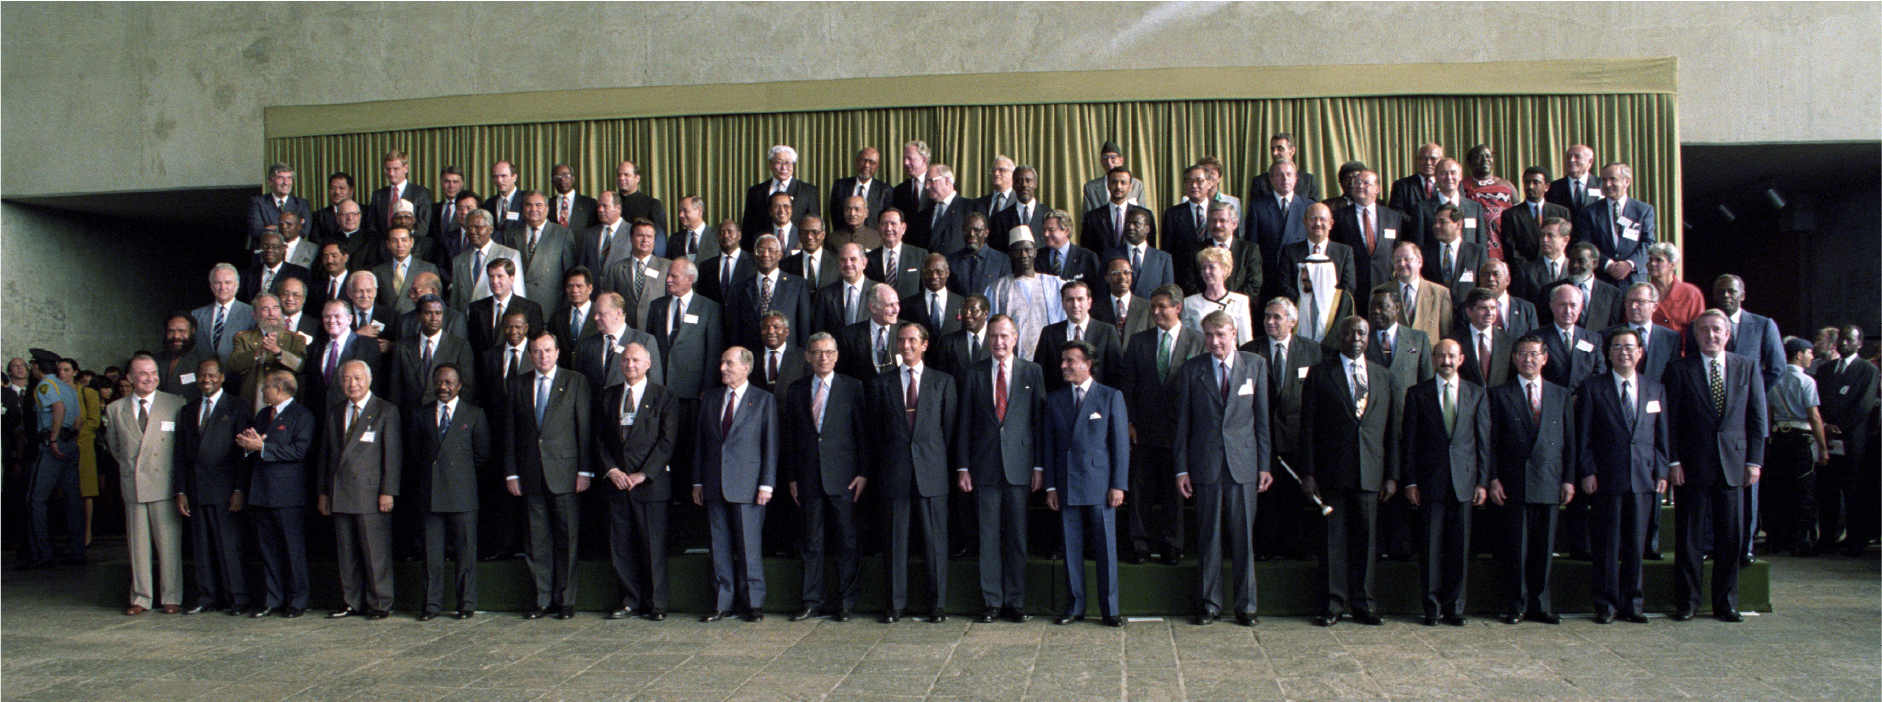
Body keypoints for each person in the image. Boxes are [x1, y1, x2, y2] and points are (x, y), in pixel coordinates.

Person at [1664, 310, 1768, 622]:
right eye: (1705, 330)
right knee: (1689, 538)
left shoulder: (1746, 367)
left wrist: (1754, 460)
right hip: (1692, 465)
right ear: (1696, 335)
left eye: (1717, 330)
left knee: (1731, 537)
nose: (1711, 335)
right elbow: (1669, 420)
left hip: (1735, 463)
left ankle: (1726, 603)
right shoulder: (1679, 369)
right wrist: (1673, 460)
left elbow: (1757, 417)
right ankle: (1688, 603)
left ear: (1728, 334)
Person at [1174, 311, 1271, 626]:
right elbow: (1183, 425)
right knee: (1209, 538)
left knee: (1244, 539)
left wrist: (1264, 465)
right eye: (1209, 336)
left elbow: (1262, 420)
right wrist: (1181, 469)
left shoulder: (1254, 365)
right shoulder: (1192, 370)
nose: (1214, 341)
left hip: (1243, 465)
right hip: (1206, 465)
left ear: (1234, 332)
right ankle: (1210, 604)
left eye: (1221, 334)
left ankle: (1247, 606)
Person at [1301, 316, 1398, 627]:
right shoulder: (1319, 375)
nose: (1355, 337)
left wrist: (1392, 475)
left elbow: (1392, 430)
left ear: (1368, 337)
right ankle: (1333, 604)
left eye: (1361, 332)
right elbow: (1308, 429)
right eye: (1349, 332)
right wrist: (1309, 473)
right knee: (1334, 540)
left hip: (1371, 472)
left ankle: (1365, 605)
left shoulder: (1383, 376)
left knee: (1367, 541)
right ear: (1339, 337)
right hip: (1332, 473)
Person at [954, 315, 1044, 623]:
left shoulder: (1033, 372)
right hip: (984, 467)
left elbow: (1038, 423)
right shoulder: (974, 373)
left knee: (1017, 537)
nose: (999, 342)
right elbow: (964, 423)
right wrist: (963, 467)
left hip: (1020, 468)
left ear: (1015, 338)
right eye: (993, 336)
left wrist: (1039, 466)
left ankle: (1015, 602)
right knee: (988, 536)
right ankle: (992, 601)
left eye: (1004, 336)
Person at [1577, 327, 1668, 625]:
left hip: (1643, 478)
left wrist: (1662, 471)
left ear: (1640, 352)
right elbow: (1584, 436)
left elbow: (1662, 437)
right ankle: (1605, 604)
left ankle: (1633, 604)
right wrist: (1588, 470)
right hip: (1606, 477)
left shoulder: (1655, 389)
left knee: (1635, 544)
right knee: (1606, 544)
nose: (1624, 352)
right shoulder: (1593, 387)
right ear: (1608, 353)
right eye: (1617, 347)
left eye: (1630, 347)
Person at [870, 322, 958, 623]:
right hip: (894, 473)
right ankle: (895, 605)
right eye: (901, 340)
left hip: (932, 474)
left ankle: (937, 606)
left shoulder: (943, 382)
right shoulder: (881, 383)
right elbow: (877, 433)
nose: (906, 345)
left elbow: (948, 432)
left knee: (935, 543)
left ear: (924, 345)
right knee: (894, 543)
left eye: (912, 340)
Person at [503, 333, 594, 620]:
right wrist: (511, 472)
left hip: (567, 473)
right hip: (529, 472)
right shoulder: (517, 384)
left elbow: (585, 429)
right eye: (537, 351)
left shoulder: (575, 381)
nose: (543, 356)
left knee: (567, 538)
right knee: (535, 538)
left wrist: (585, 470)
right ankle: (542, 599)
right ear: (530, 355)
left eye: (548, 350)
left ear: (557, 352)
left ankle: (566, 600)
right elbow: (510, 433)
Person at [1487, 334, 1575, 625]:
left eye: (1534, 354)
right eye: (1522, 354)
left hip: (1549, 480)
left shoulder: (1560, 394)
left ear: (1545, 358)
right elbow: (1491, 441)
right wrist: (1494, 478)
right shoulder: (1500, 394)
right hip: (1514, 483)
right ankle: (1516, 605)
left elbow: (1570, 442)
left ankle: (1541, 604)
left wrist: (1568, 479)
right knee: (1516, 549)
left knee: (1543, 548)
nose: (1528, 359)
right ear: (1513, 359)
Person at [1042, 340, 1130, 628]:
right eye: (1063, 360)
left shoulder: (1109, 396)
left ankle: (1110, 609)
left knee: (1106, 550)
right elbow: (1050, 447)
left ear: (1087, 364)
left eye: (1070, 360)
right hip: (1066, 485)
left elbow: (1120, 446)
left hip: (1101, 486)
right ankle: (1075, 606)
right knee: (1070, 549)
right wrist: (1051, 487)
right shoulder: (1054, 399)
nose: (1064, 365)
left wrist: (1118, 484)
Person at [1401, 339, 1489, 626]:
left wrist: (1482, 482)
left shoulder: (1477, 393)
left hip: (1464, 481)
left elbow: (1483, 442)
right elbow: (1410, 443)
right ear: (1434, 359)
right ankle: (1431, 607)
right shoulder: (1418, 394)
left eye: (1452, 356)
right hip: (1430, 483)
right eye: (1441, 356)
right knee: (1430, 547)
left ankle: (1455, 607)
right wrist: (1410, 482)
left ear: (1462, 359)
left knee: (1459, 548)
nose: (1446, 361)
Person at [784, 333, 868, 622]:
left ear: (837, 355)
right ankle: (812, 601)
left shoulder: (852, 387)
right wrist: (792, 477)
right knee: (811, 542)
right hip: (807, 477)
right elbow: (791, 438)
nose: (823, 357)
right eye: (817, 352)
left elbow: (863, 435)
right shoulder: (795, 390)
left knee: (846, 541)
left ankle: (846, 602)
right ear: (807, 356)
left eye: (829, 352)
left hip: (844, 478)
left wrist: (863, 473)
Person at [1123, 286, 1208, 567]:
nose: (1156, 312)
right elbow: (1128, 385)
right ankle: (1140, 544)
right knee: (1139, 489)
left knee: (1176, 490)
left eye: (1162, 307)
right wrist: (1130, 421)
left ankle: (1173, 544)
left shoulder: (1197, 341)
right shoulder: (1138, 341)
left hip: (1181, 430)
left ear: (1178, 308)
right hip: (1143, 430)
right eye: (1153, 307)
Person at [593, 344, 677, 621]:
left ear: (648, 363)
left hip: (650, 485)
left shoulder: (664, 396)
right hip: (616, 484)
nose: (630, 364)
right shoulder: (607, 397)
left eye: (636, 359)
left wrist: (643, 474)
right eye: (626, 360)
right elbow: (599, 440)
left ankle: (657, 604)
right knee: (621, 547)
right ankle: (629, 600)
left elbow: (667, 442)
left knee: (652, 547)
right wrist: (612, 470)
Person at [693, 347, 777, 622]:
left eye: (729, 363)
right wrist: (697, 481)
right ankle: (722, 603)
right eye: (721, 362)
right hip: (714, 482)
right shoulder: (711, 398)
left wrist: (767, 484)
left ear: (746, 367)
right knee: (719, 546)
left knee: (749, 547)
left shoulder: (763, 400)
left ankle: (753, 604)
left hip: (750, 486)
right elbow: (700, 444)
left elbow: (770, 445)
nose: (722, 368)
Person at [316, 360, 401, 621]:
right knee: (347, 553)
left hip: (371, 495)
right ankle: (351, 601)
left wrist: (388, 491)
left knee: (375, 553)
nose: (352, 384)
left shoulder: (385, 410)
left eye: (357, 378)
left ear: (369, 380)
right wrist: (323, 492)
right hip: (340, 492)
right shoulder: (335, 411)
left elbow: (393, 456)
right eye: (346, 379)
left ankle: (380, 603)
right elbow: (326, 457)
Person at [103, 355, 186, 615]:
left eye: (153, 373)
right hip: (134, 485)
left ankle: (171, 596)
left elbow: (181, 449)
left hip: (165, 484)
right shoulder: (115, 409)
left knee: (169, 544)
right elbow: (115, 448)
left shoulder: (175, 403)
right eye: (142, 373)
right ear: (129, 377)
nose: (150, 378)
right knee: (137, 546)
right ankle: (140, 598)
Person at [1244, 297, 1323, 561]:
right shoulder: (1249, 350)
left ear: (1293, 321)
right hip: (1260, 437)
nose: (1270, 321)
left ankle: (1294, 546)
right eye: (1267, 316)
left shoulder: (1312, 351)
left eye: (1277, 317)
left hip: (1297, 437)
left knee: (1293, 495)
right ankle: (1264, 547)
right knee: (1265, 496)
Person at [407, 363, 487, 621]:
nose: (443, 387)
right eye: (438, 382)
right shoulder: (420, 415)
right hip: (429, 494)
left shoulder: (474, 414)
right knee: (432, 556)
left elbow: (481, 454)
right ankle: (431, 606)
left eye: (449, 382)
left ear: (459, 385)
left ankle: (466, 604)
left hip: (462, 494)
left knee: (465, 554)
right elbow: (415, 453)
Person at [175, 359, 251, 615]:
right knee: (202, 548)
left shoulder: (238, 407)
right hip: (196, 491)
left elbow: (244, 454)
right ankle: (207, 597)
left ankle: (237, 599)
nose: (205, 379)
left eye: (211, 375)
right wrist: (181, 490)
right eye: (201, 375)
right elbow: (181, 455)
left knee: (229, 547)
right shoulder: (188, 410)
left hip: (226, 490)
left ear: (221, 377)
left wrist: (240, 490)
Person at [239, 370, 316, 617]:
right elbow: (258, 445)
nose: (262, 391)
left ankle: (298, 600)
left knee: (293, 550)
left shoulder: (302, 416)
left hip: (288, 495)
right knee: (268, 549)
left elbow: (298, 451)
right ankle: (273, 599)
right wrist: (249, 446)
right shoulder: (263, 414)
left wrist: (263, 447)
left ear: (280, 389)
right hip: (261, 492)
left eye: (266, 387)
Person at [1814, 325, 1879, 555]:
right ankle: (1827, 539)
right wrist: (1824, 427)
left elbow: (1864, 406)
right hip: (1826, 440)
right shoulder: (1825, 369)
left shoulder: (1868, 370)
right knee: (1827, 491)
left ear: (1859, 343)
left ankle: (1855, 540)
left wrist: (1838, 428)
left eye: (1849, 340)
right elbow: (1817, 402)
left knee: (1853, 493)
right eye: (1841, 339)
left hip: (1853, 442)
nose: (1843, 343)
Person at [1764, 337, 1830, 557]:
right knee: (1803, 490)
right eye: (1810, 352)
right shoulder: (1807, 381)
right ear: (1799, 354)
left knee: (1779, 489)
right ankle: (1799, 542)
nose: (1812, 357)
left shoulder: (1775, 379)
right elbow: (1814, 416)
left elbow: (1769, 412)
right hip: (1801, 438)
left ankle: (1776, 540)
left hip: (1779, 438)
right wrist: (1823, 448)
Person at [20, 350, 82, 570]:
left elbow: (59, 408)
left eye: (32, 365)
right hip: (71, 444)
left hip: (53, 445)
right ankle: (77, 551)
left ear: (38, 366)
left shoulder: (45, 386)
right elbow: (77, 419)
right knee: (72, 500)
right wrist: (69, 438)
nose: (31, 369)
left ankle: (42, 554)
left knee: (35, 500)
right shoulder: (67, 387)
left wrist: (54, 440)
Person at [983, 226, 1066, 362]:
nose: (1023, 255)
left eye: (1027, 250)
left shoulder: (1054, 285)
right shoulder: (997, 289)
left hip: (1050, 358)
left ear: (1035, 252)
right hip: (1012, 362)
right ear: (1010, 254)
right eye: (1018, 251)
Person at [393, 295, 478, 418]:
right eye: (428, 313)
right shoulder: (401, 347)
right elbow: (395, 390)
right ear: (418, 315)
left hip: (446, 418)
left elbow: (467, 388)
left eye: (438, 313)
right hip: (410, 419)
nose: (434, 318)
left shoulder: (459, 347)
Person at [1571, 163, 1655, 287]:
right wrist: (1608, 264)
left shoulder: (1643, 210)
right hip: (1602, 278)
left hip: (1634, 279)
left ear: (1626, 181)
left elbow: (1648, 243)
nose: (1607, 184)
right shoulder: (1588, 212)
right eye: (1604, 180)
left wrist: (1629, 264)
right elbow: (1585, 245)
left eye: (1612, 179)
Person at [726, 235, 814, 352]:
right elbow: (734, 331)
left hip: (788, 356)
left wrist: (802, 358)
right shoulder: (739, 288)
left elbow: (804, 328)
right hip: (751, 357)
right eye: (760, 250)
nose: (765, 254)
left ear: (779, 254)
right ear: (754, 255)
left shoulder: (798, 285)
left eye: (771, 250)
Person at [1034, 280, 1123, 391]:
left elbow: (1116, 374)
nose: (1075, 305)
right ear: (1062, 303)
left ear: (1089, 302)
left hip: (1097, 401)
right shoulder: (1049, 333)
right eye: (1070, 299)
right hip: (1059, 403)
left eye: (1080, 299)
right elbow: (1040, 374)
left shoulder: (1107, 331)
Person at [1332, 170, 1408, 299]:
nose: (1360, 186)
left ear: (1377, 189)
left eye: (1366, 183)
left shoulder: (1393, 217)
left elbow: (1398, 248)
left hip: (1386, 284)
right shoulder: (1338, 216)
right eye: (1357, 182)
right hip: (1353, 286)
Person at [227, 294, 308, 411]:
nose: (272, 314)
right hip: (252, 405)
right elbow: (234, 365)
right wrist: (257, 352)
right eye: (265, 309)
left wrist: (278, 352)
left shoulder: (295, 339)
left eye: (275, 308)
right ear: (254, 315)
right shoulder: (243, 338)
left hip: (286, 408)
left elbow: (301, 366)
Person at [502, 191, 578, 311]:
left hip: (550, 308)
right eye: (528, 205)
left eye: (538, 205)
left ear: (547, 208)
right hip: (516, 309)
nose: (533, 209)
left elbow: (570, 276)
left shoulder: (563, 234)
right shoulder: (510, 233)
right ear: (523, 208)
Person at [1245, 161, 1311, 293]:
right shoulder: (1258, 207)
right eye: (1279, 175)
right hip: (1268, 278)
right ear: (1271, 179)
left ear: (1296, 178)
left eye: (1289, 174)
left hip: (1298, 277)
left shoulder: (1309, 206)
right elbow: (1252, 246)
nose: (1285, 178)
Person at [449, 209, 526, 312]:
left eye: (478, 227)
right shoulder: (459, 260)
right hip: (467, 321)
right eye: (468, 228)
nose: (472, 231)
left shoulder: (509, 254)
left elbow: (518, 295)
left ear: (490, 229)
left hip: (498, 318)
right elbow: (455, 301)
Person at [1277, 203, 1356, 301]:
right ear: (1305, 223)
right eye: (1313, 219)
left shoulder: (1344, 252)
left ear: (1330, 224)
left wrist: (1328, 305)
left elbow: (1348, 287)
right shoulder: (1290, 251)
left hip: (1334, 311)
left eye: (1322, 219)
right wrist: (1305, 304)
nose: (1318, 223)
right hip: (1298, 309)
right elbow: (1284, 285)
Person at [742, 144, 820, 239]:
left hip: (797, 246)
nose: (784, 168)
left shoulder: (808, 191)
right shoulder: (755, 191)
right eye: (779, 163)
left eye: (788, 163)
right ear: (770, 165)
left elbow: (814, 224)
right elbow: (748, 226)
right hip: (763, 247)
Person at [1409, 158, 1487, 253]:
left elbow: (1482, 245)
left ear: (1460, 176)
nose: (1449, 177)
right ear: (1436, 177)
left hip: (1468, 266)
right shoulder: (1422, 209)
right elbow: (1418, 248)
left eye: (1453, 173)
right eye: (1443, 173)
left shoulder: (1475, 208)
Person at [1182, 247, 1254, 346]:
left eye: (1211, 267)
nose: (1206, 271)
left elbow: (1246, 341)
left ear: (1224, 269)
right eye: (1203, 267)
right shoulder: (1189, 302)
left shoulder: (1240, 301)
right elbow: (1186, 341)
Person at [1500, 166, 1570, 265]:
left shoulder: (1561, 213)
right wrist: (1530, 270)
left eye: (1536, 182)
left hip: (1555, 269)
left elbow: (1566, 244)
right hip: (1524, 272)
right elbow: (1510, 250)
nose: (1530, 186)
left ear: (1547, 187)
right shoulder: (1511, 215)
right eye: (1527, 182)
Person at [1459, 145, 1517, 261]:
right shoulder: (1462, 186)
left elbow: (1518, 215)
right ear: (1469, 162)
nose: (1485, 159)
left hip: (1505, 242)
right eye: (1480, 157)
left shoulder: (1506, 185)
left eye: (1488, 156)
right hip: (1474, 240)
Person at [1390, 242, 1453, 344]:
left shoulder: (1440, 294)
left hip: (1427, 357)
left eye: (1407, 259)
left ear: (1419, 262)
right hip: (1395, 357)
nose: (1402, 264)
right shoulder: (1381, 292)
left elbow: (1445, 335)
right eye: (1397, 260)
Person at [1080, 167, 1154, 253]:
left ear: (1130, 187)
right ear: (1107, 186)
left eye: (1123, 183)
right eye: (1114, 182)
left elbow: (1151, 251)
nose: (1118, 186)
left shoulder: (1145, 215)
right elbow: (1086, 252)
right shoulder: (1092, 217)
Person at [1450, 288, 1514, 389]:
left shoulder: (1507, 340)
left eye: (1493, 308)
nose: (1489, 313)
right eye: (1483, 308)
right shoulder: (1454, 341)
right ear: (1469, 311)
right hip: (1468, 401)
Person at [1423, 205, 1488, 303]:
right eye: (1435, 222)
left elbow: (1483, 287)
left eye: (1443, 222)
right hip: (1434, 312)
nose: (1436, 226)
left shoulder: (1477, 252)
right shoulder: (1424, 252)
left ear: (1459, 224)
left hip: (1466, 314)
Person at [1106, 208, 1173, 301]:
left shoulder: (1163, 258)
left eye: (1136, 224)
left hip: (1151, 313)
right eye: (1127, 223)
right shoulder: (1110, 255)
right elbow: (1103, 292)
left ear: (1147, 229)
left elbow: (1168, 295)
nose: (1130, 227)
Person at [193, 264, 257, 360]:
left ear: (237, 285)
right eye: (217, 283)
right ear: (211, 285)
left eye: (228, 282)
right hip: (206, 373)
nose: (222, 287)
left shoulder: (251, 313)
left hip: (237, 373)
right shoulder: (196, 315)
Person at [913, 164, 978, 255]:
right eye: (925, 183)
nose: (927, 187)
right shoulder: (923, 214)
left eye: (931, 181)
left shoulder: (971, 208)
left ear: (946, 180)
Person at [944, 213, 1011, 301]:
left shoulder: (1001, 260)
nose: (971, 234)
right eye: (967, 230)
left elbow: (1005, 294)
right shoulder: (951, 261)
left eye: (977, 230)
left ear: (986, 233)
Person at [367, 150, 432, 239]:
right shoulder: (378, 195)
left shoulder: (421, 193)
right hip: (383, 247)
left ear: (406, 168)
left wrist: (405, 241)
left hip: (412, 246)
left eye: (395, 169)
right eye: (388, 169)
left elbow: (423, 227)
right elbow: (372, 226)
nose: (391, 173)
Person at [247, 163, 314, 249]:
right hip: (267, 252)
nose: (286, 182)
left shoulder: (302, 204)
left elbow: (304, 231)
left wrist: (274, 228)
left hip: (294, 252)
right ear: (270, 182)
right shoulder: (257, 202)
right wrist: (291, 228)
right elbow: (256, 232)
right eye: (280, 178)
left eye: (289, 178)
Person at [1644, 243, 1704, 337]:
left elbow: (1699, 329)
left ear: (1672, 265)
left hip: (1682, 350)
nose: (1652, 263)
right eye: (1651, 259)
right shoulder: (1641, 292)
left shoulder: (1691, 293)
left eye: (1658, 260)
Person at [1293, 255, 1353, 347]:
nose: (1303, 277)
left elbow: (1346, 333)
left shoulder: (1343, 299)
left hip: (1332, 357)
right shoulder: (1299, 299)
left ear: (1321, 274)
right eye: (1303, 271)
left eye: (1308, 272)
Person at [243, 233, 313, 304]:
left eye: (274, 246)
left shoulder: (299, 273)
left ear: (283, 249)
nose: (269, 250)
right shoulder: (248, 274)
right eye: (265, 246)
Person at [830, 147, 891, 230]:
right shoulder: (840, 186)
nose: (866, 165)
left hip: (874, 240)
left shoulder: (885, 191)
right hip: (843, 238)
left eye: (872, 162)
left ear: (878, 165)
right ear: (856, 161)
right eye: (863, 160)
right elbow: (834, 216)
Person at [1248, 133, 1320, 201]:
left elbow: (1313, 211)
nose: (1274, 153)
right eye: (1272, 149)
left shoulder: (1308, 181)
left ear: (1292, 151)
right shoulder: (1260, 182)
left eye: (1280, 148)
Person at [1082, 140, 1148, 214]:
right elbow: (1086, 219)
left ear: (1121, 160)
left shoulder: (1136, 185)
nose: (1109, 161)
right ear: (1101, 161)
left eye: (1113, 157)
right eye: (1105, 157)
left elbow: (1143, 215)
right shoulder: (1090, 188)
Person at [698, 220, 757, 304]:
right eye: (721, 233)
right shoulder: (706, 266)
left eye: (730, 232)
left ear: (739, 235)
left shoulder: (754, 261)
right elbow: (702, 299)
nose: (725, 235)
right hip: (716, 316)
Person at [1095, 257, 1151, 340]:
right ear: (1107, 278)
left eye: (1126, 272)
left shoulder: (1148, 307)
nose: (1122, 276)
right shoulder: (1095, 309)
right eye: (1116, 273)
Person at [782, 215, 839, 290]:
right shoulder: (786, 265)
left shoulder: (837, 262)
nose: (809, 236)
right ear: (799, 234)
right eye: (804, 232)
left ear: (823, 235)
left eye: (815, 232)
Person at [1387, 143, 1444, 216]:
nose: (1428, 163)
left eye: (1433, 159)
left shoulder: (1447, 184)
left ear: (1441, 160)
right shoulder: (1401, 185)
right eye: (1423, 158)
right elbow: (1396, 213)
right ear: (1417, 160)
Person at [1546, 144, 1602, 214]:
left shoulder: (1601, 184)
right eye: (1569, 157)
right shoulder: (1553, 187)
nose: (1571, 160)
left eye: (1577, 157)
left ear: (1590, 162)